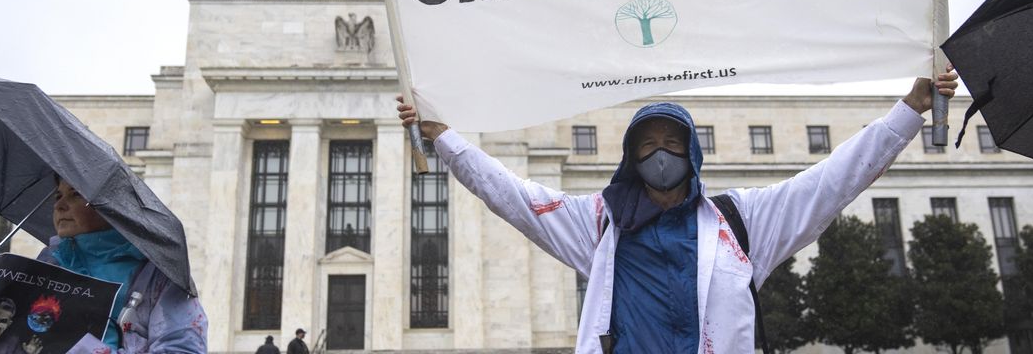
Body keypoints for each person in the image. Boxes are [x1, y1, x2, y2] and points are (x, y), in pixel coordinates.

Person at [396, 68, 959, 353]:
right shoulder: (599, 224)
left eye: (671, 143)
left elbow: (831, 183)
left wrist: (907, 113)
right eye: (646, 146)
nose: (659, 154)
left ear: (691, 153)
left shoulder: (742, 224)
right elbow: (512, 195)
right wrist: (444, 139)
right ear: (631, 158)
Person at [0, 178, 208, 353]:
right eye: (58, 194)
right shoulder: (47, 263)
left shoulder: (156, 275)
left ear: (112, 206)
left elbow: (182, 347)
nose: (59, 205)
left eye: (75, 193)